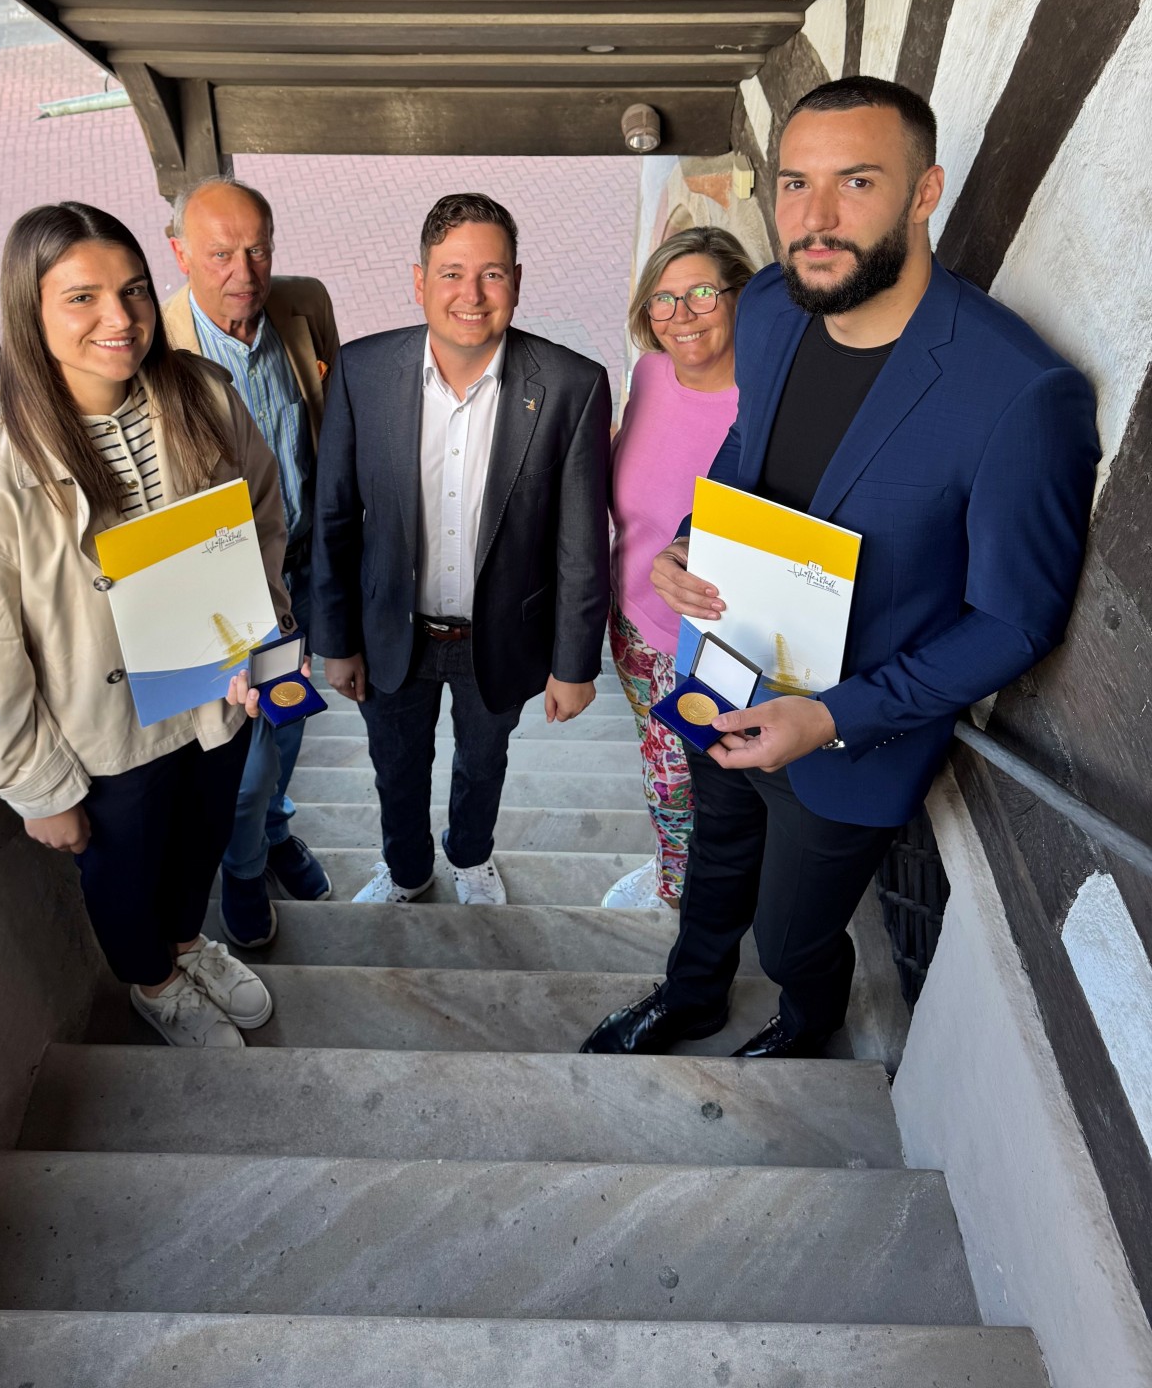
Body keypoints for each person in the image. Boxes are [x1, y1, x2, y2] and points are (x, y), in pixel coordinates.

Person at [582, 77, 1099, 1059]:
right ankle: (691, 995)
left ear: (924, 191)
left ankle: (808, 1018)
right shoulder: (773, 306)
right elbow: (747, 447)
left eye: (855, 182)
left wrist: (829, 717)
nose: (813, 220)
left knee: (790, 937)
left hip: (849, 739)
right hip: (725, 665)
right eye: (794, 185)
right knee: (713, 860)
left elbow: (1016, 622)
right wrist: (698, 530)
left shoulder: (1022, 394)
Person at [0, 201, 295, 1050]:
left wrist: (260, 622)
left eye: (131, 291)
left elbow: (264, 510)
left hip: (214, 693)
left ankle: (191, 943)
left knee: (200, 839)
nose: (119, 320)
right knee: (122, 877)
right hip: (103, 737)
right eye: (81, 298)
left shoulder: (201, 394)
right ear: (31, 313)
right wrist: (37, 786)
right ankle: (156, 983)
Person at [311, 191, 612, 906]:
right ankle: (409, 869)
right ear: (418, 282)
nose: (471, 295)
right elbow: (333, 516)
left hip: (501, 637)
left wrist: (575, 665)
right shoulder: (360, 371)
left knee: (484, 761)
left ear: (516, 280)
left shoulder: (573, 386)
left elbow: (580, 542)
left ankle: (471, 857)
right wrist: (337, 639)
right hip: (393, 632)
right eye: (450, 273)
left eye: (492, 274)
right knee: (396, 764)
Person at [163, 176, 340, 947]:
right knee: (240, 749)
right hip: (220, 588)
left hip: (298, 575)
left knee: (289, 726)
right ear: (179, 254)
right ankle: (240, 869)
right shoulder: (157, 344)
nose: (246, 270)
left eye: (258, 248)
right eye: (220, 253)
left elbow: (332, 427)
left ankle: (272, 833)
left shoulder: (304, 306)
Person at [603, 226, 755, 911]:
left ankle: (690, 897)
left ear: (739, 297)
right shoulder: (651, 374)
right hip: (632, 624)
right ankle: (677, 880)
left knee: (706, 781)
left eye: (699, 293)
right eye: (662, 300)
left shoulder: (764, 402)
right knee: (663, 769)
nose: (680, 315)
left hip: (716, 648)